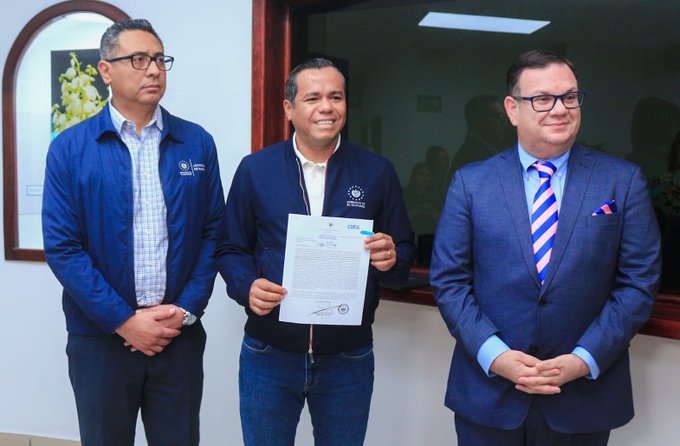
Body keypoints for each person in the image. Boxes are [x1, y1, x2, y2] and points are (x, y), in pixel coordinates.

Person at [430, 49, 661, 445]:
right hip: (489, 396)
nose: (559, 109)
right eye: (542, 99)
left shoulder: (621, 181)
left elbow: (638, 283)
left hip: (582, 398)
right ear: (512, 109)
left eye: (569, 97)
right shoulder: (471, 183)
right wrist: (495, 355)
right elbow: (449, 281)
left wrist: (583, 359)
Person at [42, 18, 224, 446]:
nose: (154, 69)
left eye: (160, 59)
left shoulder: (196, 142)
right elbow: (63, 248)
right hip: (100, 340)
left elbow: (214, 232)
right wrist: (123, 320)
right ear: (106, 70)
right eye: (139, 59)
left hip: (176, 335)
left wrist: (185, 310)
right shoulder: (70, 148)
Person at [217, 57, 414, 445]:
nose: (327, 107)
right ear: (289, 108)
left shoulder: (376, 172)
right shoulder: (256, 169)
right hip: (269, 352)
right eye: (313, 98)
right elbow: (230, 247)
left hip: (348, 357)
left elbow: (403, 252)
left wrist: (392, 258)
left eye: (336, 97)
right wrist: (247, 285)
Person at [449, 94, 511, 175]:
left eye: (504, 117)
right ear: (478, 120)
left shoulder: (490, 151)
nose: (505, 123)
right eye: (498, 116)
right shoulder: (472, 157)